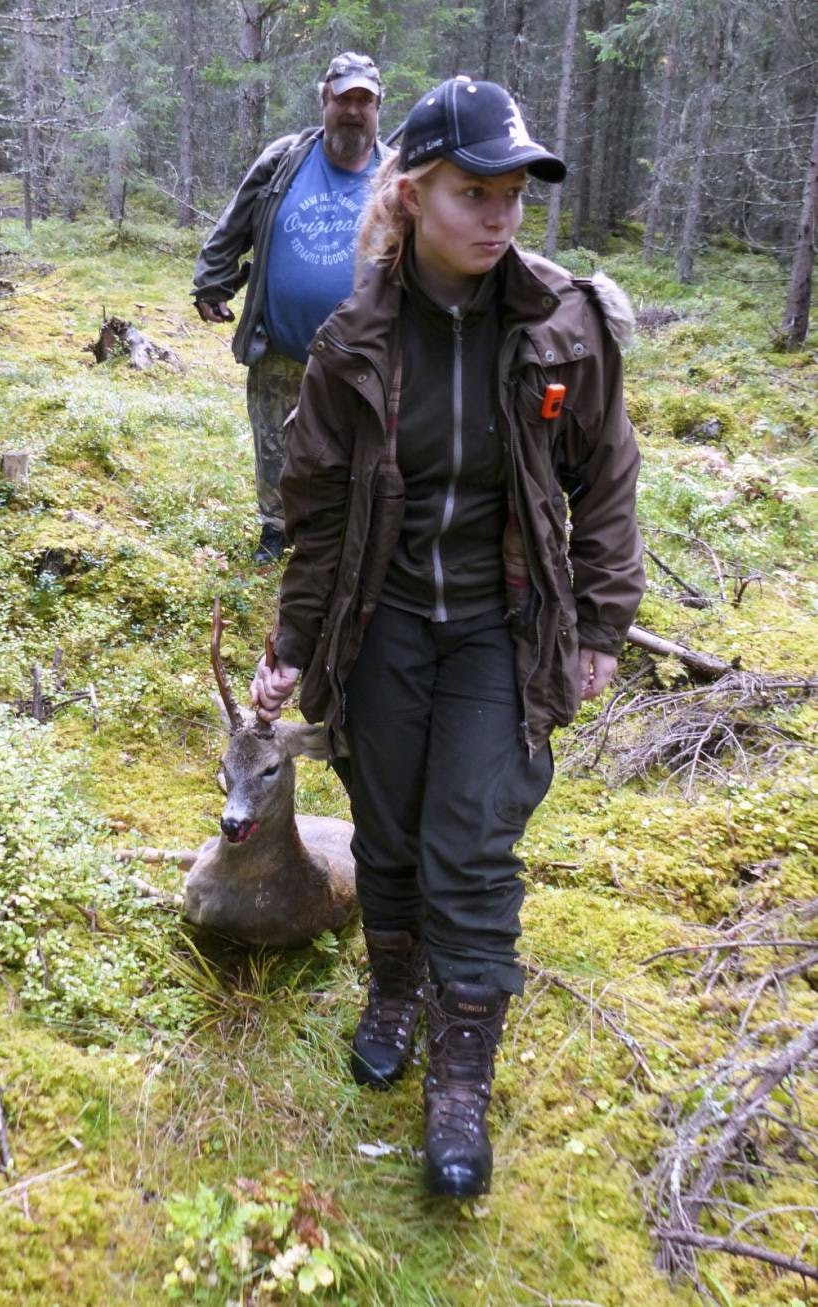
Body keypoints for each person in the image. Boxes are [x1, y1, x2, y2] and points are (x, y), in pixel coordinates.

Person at [251, 76, 645, 1198]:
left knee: (469, 844)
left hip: (499, 625)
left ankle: (460, 1074)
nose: (499, 215)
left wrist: (602, 620)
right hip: (379, 627)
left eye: (513, 193)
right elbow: (318, 511)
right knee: (386, 833)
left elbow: (604, 478)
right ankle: (390, 985)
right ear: (411, 194)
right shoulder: (352, 341)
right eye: (475, 192)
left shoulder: (562, 323)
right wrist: (293, 636)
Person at [192, 53, 389, 564]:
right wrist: (211, 282)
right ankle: (275, 531)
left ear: (378, 106)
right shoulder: (285, 160)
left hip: (360, 357)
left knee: (353, 449)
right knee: (275, 444)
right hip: (281, 344)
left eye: (363, 100)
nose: (353, 110)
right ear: (324, 101)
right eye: (343, 98)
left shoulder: (394, 177)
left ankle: (339, 535)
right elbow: (234, 223)